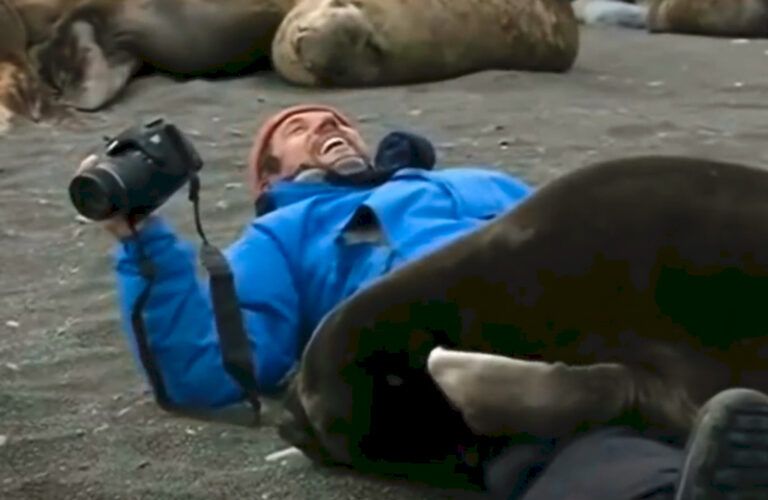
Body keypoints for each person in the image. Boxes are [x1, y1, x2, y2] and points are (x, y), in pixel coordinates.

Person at [77, 104, 768, 499]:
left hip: (595, 313)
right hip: (451, 345)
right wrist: (144, 246)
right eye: (298, 127)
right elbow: (213, 370)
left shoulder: (476, 182)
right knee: (541, 444)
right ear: (269, 176)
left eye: (336, 119)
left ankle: (659, 409)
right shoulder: (283, 231)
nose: (329, 127)